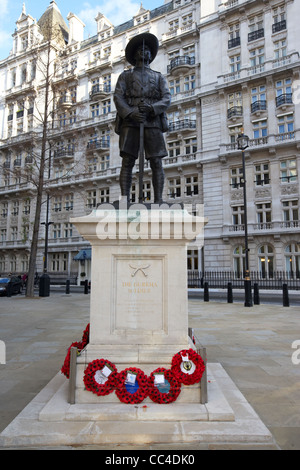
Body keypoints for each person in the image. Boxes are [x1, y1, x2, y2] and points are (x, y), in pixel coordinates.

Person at [114, 33, 171, 204]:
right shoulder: (125, 76)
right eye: (141, 50)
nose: (144, 52)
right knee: (128, 161)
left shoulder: (159, 77)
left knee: (156, 161)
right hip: (131, 121)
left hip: (152, 121)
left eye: (147, 50)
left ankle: (159, 199)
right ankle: (124, 199)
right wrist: (130, 112)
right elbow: (118, 96)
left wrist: (153, 108)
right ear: (135, 54)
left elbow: (166, 98)